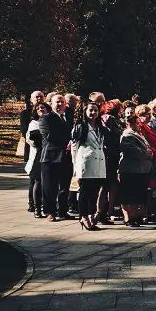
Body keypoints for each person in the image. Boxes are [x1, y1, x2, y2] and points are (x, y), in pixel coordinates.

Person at [71, 101, 107, 231]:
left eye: (95, 110)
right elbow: (74, 148)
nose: (93, 113)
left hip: (99, 163)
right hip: (86, 163)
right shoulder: (80, 126)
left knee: (94, 192)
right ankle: (83, 216)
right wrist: (75, 167)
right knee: (85, 192)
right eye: (90, 110)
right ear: (85, 112)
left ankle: (91, 215)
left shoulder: (100, 127)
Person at [38, 92, 73, 222]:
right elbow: (49, 136)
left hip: (66, 157)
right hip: (50, 157)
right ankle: (50, 211)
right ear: (51, 104)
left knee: (65, 186)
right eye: (57, 102)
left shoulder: (69, 118)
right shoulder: (46, 118)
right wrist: (68, 142)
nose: (60, 104)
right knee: (49, 187)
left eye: (62, 102)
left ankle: (63, 210)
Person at [118, 110, 154, 227]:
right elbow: (131, 150)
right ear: (131, 124)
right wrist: (146, 154)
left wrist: (150, 153)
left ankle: (136, 215)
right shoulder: (128, 134)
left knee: (138, 193)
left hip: (140, 169)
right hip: (130, 169)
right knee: (130, 194)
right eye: (137, 123)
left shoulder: (138, 134)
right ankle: (130, 217)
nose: (139, 125)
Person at [20, 90, 45, 211]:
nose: (39, 99)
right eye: (36, 97)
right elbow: (25, 132)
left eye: (41, 97)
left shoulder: (46, 112)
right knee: (33, 179)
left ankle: (41, 202)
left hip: (45, 151)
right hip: (33, 149)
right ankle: (32, 203)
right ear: (31, 99)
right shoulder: (26, 114)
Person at [25, 100, 49, 219]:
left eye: (43, 108)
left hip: (50, 154)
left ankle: (47, 207)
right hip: (38, 156)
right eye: (38, 108)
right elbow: (34, 137)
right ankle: (37, 208)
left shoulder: (52, 121)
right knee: (38, 181)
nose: (41, 109)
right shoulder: (34, 123)